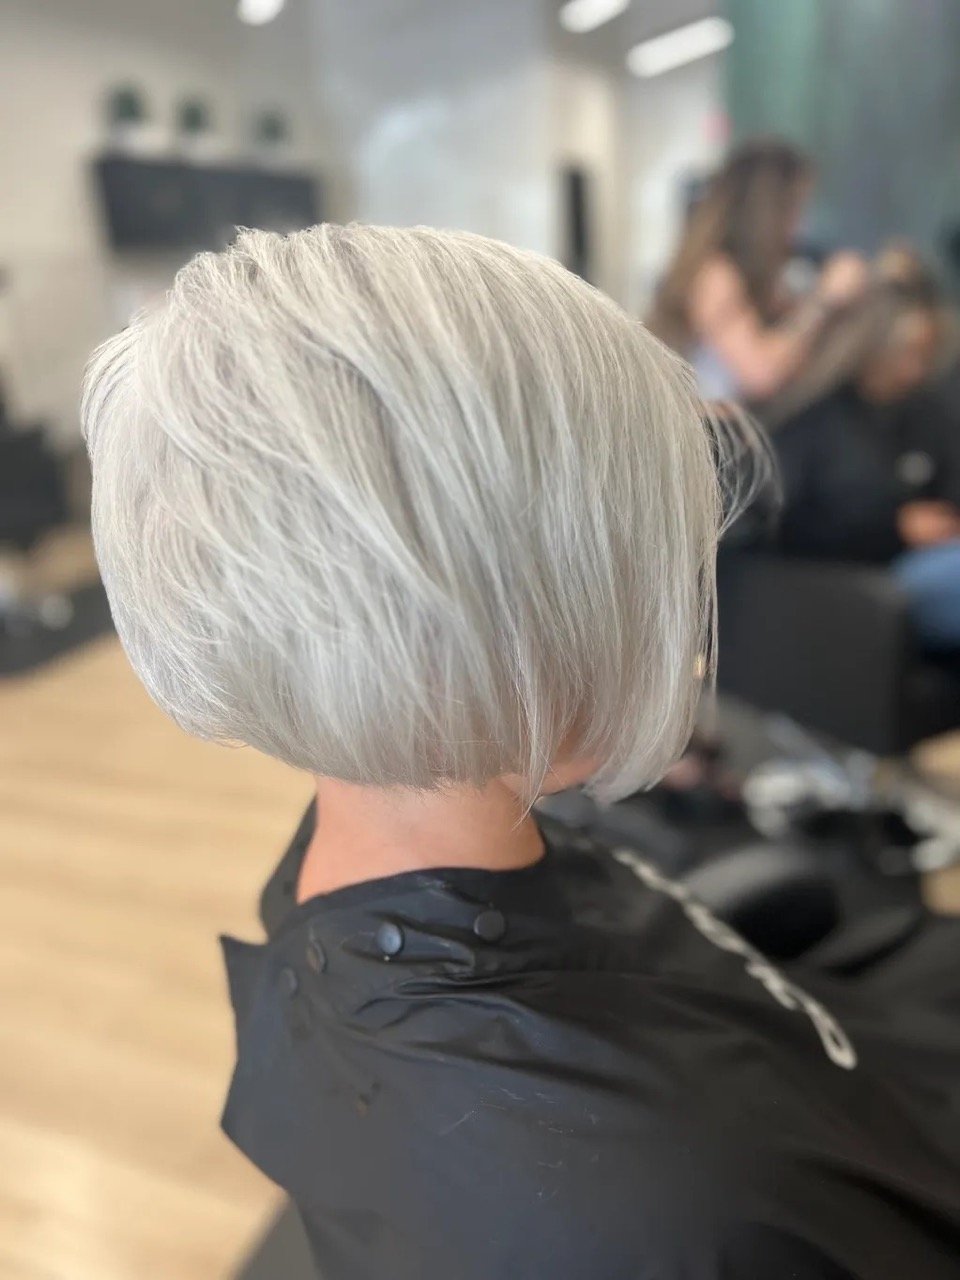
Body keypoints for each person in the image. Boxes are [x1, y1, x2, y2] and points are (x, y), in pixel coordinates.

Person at [83, 224, 960, 1279]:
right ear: (487, 629)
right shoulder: (662, 1210)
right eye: (648, 565)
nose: (678, 613)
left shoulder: (347, 863)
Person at [770, 273, 960, 650]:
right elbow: (795, 525)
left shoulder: (924, 412)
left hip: (929, 558)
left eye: (925, 354)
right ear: (874, 345)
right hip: (863, 573)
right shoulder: (818, 420)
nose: (916, 368)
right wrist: (895, 527)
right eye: (909, 352)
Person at [648, 137, 867, 402]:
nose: (800, 227)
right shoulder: (714, 276)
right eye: (795, 208)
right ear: (768, 212)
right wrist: (823, 301)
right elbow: (760, 374)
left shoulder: (760, 280)